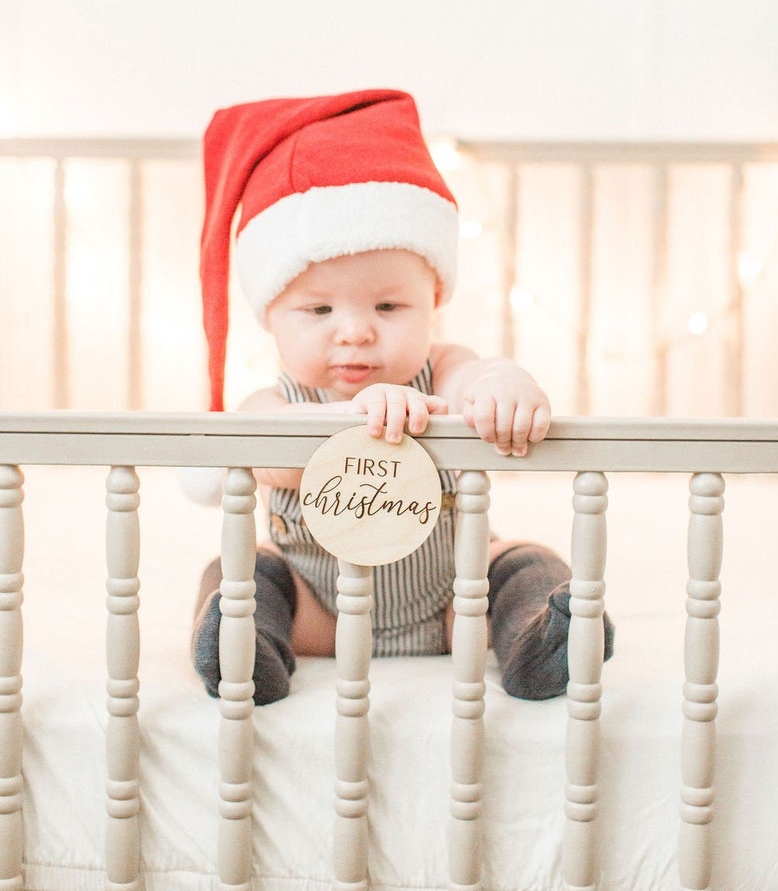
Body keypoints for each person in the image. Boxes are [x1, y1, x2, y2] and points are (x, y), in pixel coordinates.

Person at [189, 89, 613, 705]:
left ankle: (535, 643)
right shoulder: (270, 401)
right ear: (270, 317)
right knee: (238, 569)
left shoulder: (441, 370)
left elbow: (472, 386)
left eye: (388, 306)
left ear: (432, 304)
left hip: (452, 603)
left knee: (524, 560)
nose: (356, 329)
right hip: (320, 613)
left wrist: (500, 384)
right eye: (318, 309)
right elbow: (271, 453)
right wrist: (345, 419)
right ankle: (249, 649)